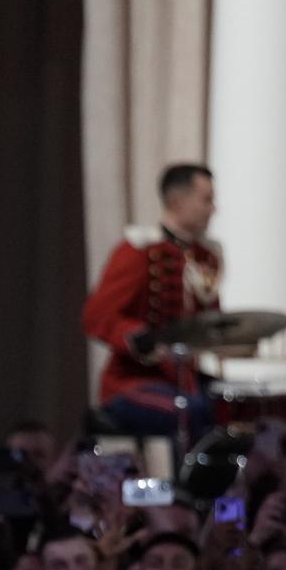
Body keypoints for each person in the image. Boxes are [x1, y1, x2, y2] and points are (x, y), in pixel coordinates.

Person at [82, 163, 224, 434]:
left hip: (183, 380)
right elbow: (96, 316)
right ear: (176, 201)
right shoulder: (139, 250)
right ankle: (185, 478)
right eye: (206, 200)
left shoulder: (206, 257)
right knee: (191, 412)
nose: (213, 209)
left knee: (235, 407)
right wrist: (141, 337)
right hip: (132, 382)